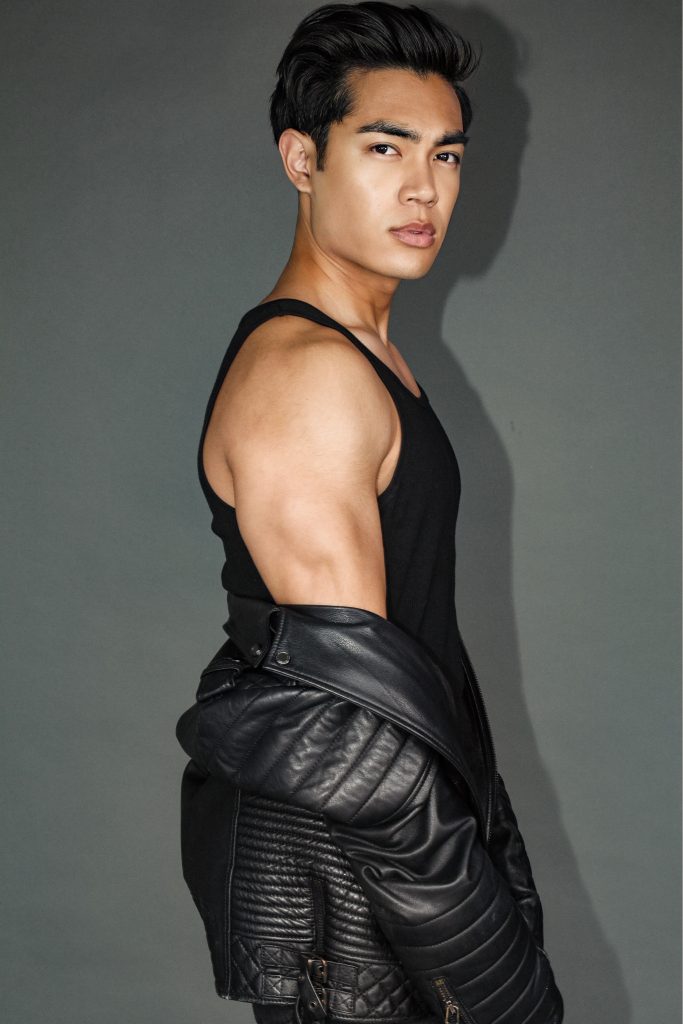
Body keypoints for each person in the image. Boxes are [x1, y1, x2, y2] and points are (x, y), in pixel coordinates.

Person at [176, 4, 564, 1023]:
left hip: (386, 879)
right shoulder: (308, 377)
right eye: (384, 147)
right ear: (301, 159)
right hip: (347, 894)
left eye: (445, 154)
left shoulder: (366, 355)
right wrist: (501, 984)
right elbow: (357, 738)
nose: (423, 187)